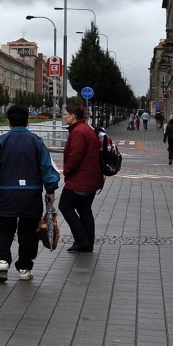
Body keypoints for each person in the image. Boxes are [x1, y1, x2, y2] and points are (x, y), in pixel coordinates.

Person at [0, 104, 60, 283]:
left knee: (3, 229)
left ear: (9, 122)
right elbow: (47, 167)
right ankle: (24, 267)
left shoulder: (1, 141)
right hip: (30, 195)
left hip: (5, 194)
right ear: (27, 121)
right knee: (28, 231)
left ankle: (2, 261)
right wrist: (50, 189)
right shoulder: (36, 141)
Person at [59, 103, 104, 253]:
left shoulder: (78, 131)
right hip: (91, 178)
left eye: (65, 114)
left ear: (73, 116)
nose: (64, 116)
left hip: (80, 180)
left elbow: (75, 156)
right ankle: (88, 243)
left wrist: (66, 171)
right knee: (84, 210)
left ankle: (82, 240)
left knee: (65, 206)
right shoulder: (86, 128)